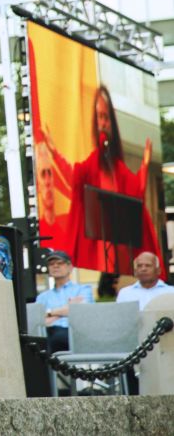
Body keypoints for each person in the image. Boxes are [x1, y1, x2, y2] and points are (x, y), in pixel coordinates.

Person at [45, 85, 163, 276]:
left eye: (106, 117)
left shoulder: (117, 167)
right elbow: (72, 175)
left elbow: (136, 190)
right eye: (99, 117)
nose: (103, 123)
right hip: (96, 246)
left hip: (119, 245)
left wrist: (145, 164)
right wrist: (54, 153)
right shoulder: (90, 164)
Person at [35, 250, 93, 353]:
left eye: (60, 263)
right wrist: (66, 310)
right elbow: (38, 321)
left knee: (55, 338)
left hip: (76, 333)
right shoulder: (42, 297)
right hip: (49, 334)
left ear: (70, 267)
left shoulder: (83, 289)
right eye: (51, 264)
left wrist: (50, 313)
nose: (55, 266)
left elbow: (83, 312)